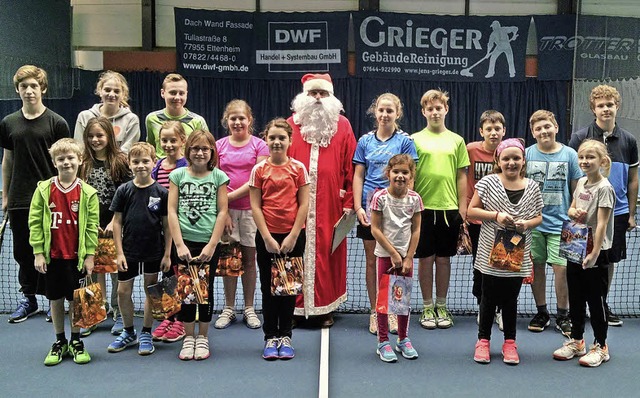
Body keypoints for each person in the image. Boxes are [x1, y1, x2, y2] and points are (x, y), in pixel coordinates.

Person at [1, 65, 71, 323]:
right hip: (20, 198)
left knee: (55, 250)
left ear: (42, 88)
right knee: (23, 252)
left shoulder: (57, 122)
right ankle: (29, 299)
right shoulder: (8, 123)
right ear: (18, 90)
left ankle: (56, 299)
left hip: (52, 198)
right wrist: (6, 195)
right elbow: (7, 161)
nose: (29, 91)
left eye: (33, 86)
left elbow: (67, 160)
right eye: (24, 87)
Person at [287, 73, 357, 327]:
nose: (317, 98)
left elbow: (353, 165)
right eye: (313, 93)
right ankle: (292, 307)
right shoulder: (289, 125)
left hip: (331, 204)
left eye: (323, 94)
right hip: (294, 204)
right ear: (303, 97)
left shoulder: (344, 126)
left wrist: (349, 201)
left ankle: (324, 307)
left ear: (331, 97)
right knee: (294, 251)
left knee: (329, 253)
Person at [468, 138, 543, 365]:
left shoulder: (532, 187)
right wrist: (496, 216)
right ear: (498, 161)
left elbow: (538, 217)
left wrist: (527, 224)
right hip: (489, 254)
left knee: (511, 300)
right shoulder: (488, 183)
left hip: (517, 257)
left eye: (516, 158)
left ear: (523, 161)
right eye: (506, 158)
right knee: (488, 299)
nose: (511, 162)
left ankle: (510, 343)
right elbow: (471, 211)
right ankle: (483, 342)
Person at [569, 85, 638, 327]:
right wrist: (574, 209)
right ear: (593, 109)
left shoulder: (629, 140)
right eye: (601, 105)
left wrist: (630, 213)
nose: (606, 109)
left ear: (617, 106)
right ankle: (577, 305)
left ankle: (600, 302)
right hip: (584, 216)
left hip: (616, 213)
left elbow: (633, 179)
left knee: (607, 260)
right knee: (579, 259)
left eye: (610, 104)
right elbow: (575, 177)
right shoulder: (580, 137)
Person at [29, 138, 99, 365]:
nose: (66, 162)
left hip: (76, 259)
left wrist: (89, 256)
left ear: (80, 160)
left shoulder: (88, 193)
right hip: (53, 258)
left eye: (71, 158)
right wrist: (39, 252)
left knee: (77, 301)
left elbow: (91, 228)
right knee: (55, 299)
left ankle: (76, 341)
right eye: (61, 159)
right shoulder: (43, 189)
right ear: (54, 162)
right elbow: (35, 222)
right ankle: (60, 341)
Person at [353, 93, 417, 335]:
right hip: (371, 209)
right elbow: (359, 175)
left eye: (390, 111)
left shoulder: (405, 141)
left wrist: (408, 207)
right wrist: (359, 207)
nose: (385, 114)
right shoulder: (365, 141)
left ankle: (392, 310)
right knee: (373, 261)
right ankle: (375, 310)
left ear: (397, 113)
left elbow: (410, 175)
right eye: (381, 110)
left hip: (398, 210)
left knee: (396, 260)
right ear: (375, 112)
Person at [249, 118, 309, 360]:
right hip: (267, 238)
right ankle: (270, 337)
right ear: (266, 140)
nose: (276, 142)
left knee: (288, 289)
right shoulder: (259, 170)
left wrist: (294, 235)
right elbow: (255, 206)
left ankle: (285, 336)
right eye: (272, 137)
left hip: (293, 238)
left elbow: (304, 204)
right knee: (268, 289)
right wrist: (266, 237)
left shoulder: (298, 169)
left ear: (289, 141)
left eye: (281, 138)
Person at [553, 139, 615, 367]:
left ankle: (601, 345)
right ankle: (577, 340)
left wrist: (595, 253)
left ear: (602, 161)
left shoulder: (605, 188)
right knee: (576, 297)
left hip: (596, 252)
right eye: (582, 157)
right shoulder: (580, 182)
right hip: (575, 247)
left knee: (595, 301)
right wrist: (574, 211)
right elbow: (571, 209)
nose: (585, 161)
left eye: (590, 157)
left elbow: (601, 224)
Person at [168, 130, 228, 360]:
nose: (200, 152)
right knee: (185, 292)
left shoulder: (218, 177)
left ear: (211, 151)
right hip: (184, 243)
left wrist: (212, 245)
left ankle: (202, 337)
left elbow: (223, 211)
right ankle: (188, 337)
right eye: (195, 148)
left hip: (207, 245)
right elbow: (171, 211)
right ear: (188, 151)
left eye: (205, 148)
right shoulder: (178, 175)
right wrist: (179, 244)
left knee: (205, 291)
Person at [412, 89, 469, 330]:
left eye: (439, 108)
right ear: (424, 112)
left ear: (446, 109)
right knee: (425, 260)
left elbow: (461, 176)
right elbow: (410, 175)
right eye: (430, 108)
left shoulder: (457, 141)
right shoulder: (413, 139)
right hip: (422, 210)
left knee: (444, 260)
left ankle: (442, 305)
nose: (435, 112)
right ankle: (427, 306)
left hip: (449, 209)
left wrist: (463, 208)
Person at [107, 142, 171, 356]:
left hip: (153, 251)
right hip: (129, 251)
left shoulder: (161, 192)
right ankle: (128, 331)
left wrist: (168, 253)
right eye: (136, 162)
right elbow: (117, 222)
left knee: (150, 290)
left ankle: (145, 332)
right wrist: (119, 252)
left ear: (154, 163)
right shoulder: (124, 190)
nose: (141, 165)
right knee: (122, 291)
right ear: (129, 164)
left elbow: (167, 225)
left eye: (145, 161)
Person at [525, 110, 582, 335]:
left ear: (556, 127)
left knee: (562, 269)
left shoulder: (570, 155)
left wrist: (574, 218)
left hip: (564, 225)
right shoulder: (527, 154)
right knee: (537, 267)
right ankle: (542, 312)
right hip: (533, 224)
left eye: (547, 126)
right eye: (538, 128)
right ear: (533, 132)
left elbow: (577, 189)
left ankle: (563, 314)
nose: (543, 131)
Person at [214, 100, 268, 330]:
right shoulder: (218, 146)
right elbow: (215, 178)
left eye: (241, 118)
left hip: (251, 211)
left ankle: (248, 307)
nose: (237, 122)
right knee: (228, 261)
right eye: (233, 118)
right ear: (227, 121)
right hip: (225, 213)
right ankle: (228, 308)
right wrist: (223, 210)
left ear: (250, 121)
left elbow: (257, 179)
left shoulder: (260, 146)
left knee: (248, 259)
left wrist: (229, 198)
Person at [78, 117, 131, 337]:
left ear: (109, 136)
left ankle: (118, 312)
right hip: (91, 229)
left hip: (115, 228)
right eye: (90, 136)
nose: (95, 140)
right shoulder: (83, 164)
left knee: (116, 272)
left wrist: (113, 221)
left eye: (100, 135)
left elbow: (127, 195)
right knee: (92, 271)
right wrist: (89, 224)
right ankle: (92, 315)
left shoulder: (120, 161)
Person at [370, 154, 423, 363]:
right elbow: (375, 228)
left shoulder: (415, 199)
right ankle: (383, 341)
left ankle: (403, 339)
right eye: (396, 172)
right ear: (388, 174)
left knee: (402, 300)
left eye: (405, 172)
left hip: (406, 258)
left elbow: (416, 229)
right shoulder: (380, 197)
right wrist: (393, 253)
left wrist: (408, 256)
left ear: (411, 176)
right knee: (384, 300)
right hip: (385, 256)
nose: (400, 176)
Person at [466, 110, 506, 330]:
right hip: (478, 221)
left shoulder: (508, 153)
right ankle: (483, 307)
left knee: (501, 265)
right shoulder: (471, 150)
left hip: (502, 222)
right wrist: (465, 209)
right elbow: (462, 179)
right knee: (480, 266)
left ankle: (500, 309)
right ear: (481, 131)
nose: (493, 133)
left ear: (503, 131)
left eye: (497, 129)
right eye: (488, 129)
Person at [149, 121, 187, 343]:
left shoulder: (185, 165)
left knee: (180, 274)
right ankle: (169, 316)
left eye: (173, 140)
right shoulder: (158, 166)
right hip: (160, 232)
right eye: (165, 140)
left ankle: (182, 318)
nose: (169, 144)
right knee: (167, 274)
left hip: (180, 231)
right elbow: (153, 195)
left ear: (182, 140)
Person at [73, 71, 140, 154]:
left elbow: (127, 151)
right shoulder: (84, 116)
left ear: (123, 94)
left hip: (118, 166)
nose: (111, 94)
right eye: (107, 90)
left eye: (116, 91)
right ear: (100, 91)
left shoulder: (131, 119)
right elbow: (79, 148)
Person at [146, 73, 208, 158]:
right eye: (173, 93)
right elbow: (150, 148)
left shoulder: (197, 121)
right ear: (163, 93)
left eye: (181, 93)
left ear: (186, 94)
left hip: (187, 169)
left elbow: (206, 149)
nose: (177, 97)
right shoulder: (152, 119)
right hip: (161, 169)